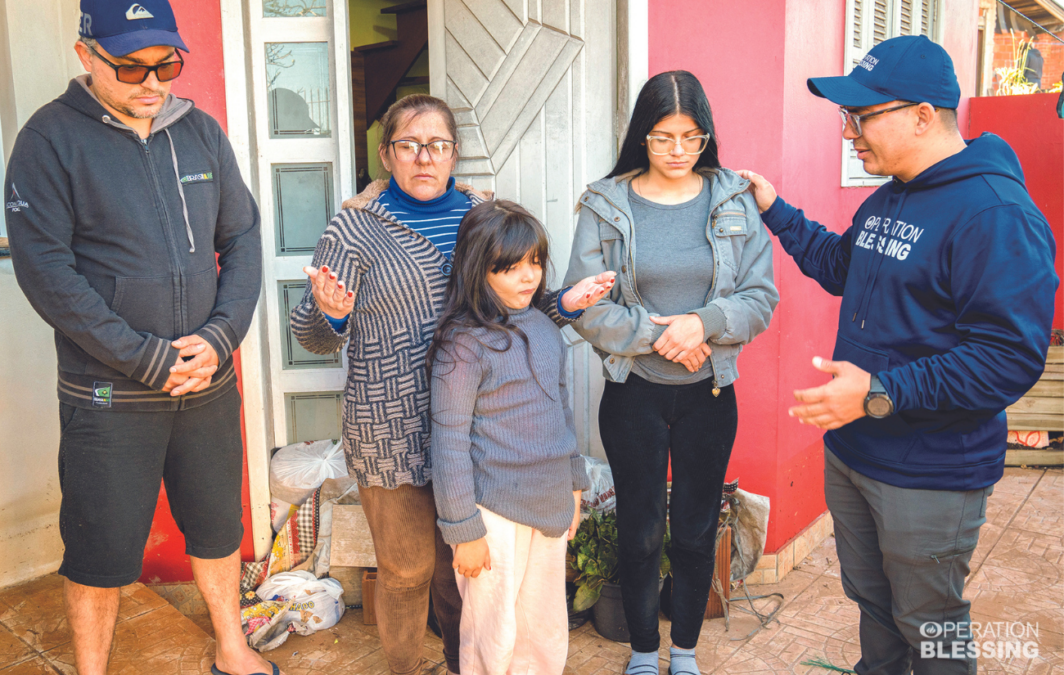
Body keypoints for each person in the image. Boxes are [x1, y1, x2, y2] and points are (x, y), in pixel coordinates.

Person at [739, 35, 1058, 674]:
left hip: (930, 472)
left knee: (931, 625)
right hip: (856, 454)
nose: (849, 132)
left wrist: (879, 391)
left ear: (921, 114)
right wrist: (775, 209)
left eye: (862, 117)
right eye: (846, 117)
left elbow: (1008, 359)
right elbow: (842, 267)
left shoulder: (995, 215)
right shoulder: (889, 195)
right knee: (874, 605)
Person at [289, 94, 613, 675]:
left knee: (459, 568)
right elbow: (312, 336)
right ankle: (404, 668)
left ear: (455, 154)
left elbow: (518, 309)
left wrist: (561, 304)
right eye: (408, 145)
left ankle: (463, 665)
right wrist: (332, 314)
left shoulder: (480, 214)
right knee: (408, 569)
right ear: (387, 154)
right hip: (391, 429)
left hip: (478, 432)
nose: (423, 157)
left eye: (437, 145)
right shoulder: (355, 228)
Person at [3, 1, 270, 674]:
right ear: (86, 54)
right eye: (131, 66)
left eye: (168, 63)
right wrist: (147, 357)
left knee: (216, 525)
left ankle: (231, 644)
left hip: (206, 380)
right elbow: (49, 275)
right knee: (98, 545)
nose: (153, 83)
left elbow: (240, 237)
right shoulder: (48, 141)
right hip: (110, 393)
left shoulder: (200, 133)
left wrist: (220, 336)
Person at [563, 71, 778, 675]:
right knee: (637, 532)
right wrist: (662, 334)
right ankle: (642, 651)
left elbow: (760, 297)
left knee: (693, 528)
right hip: (634, 394)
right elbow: (586, 306)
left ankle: (683, 649)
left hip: (709, 393)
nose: (678, 150)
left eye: (692, 137)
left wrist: (704, 322)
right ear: (641, 137)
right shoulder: (605, 203)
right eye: (662, 137)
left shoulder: (733, 199)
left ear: (707, 137)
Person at [427, 200, 591, 673]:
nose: (529, 278)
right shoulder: (464, 342)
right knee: (491, 630)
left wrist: (574, 484)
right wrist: (462, 531)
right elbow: (450, 441)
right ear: (480, 268)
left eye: (535, 264)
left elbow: (562, 411)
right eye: (511, 267)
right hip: (492, 514)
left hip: (549, 502)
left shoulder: (544, 329)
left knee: (542, 624)